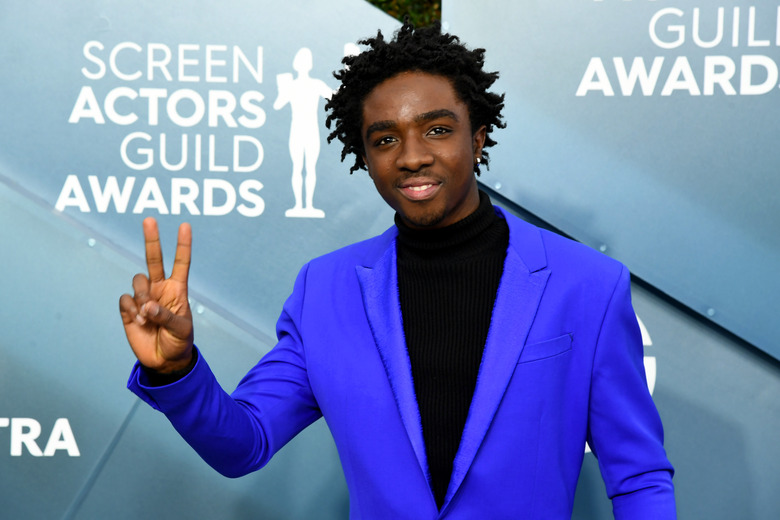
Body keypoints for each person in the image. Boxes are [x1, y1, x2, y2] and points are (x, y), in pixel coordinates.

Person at [119, 22, 675, 519]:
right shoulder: (326, 290)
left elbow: (639, 477)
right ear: (364, 157)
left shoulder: (588, 285)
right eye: (385, 139)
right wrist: (177, 370)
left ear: (477, 138)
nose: (411, 156)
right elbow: (245, 444)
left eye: (437, 129)